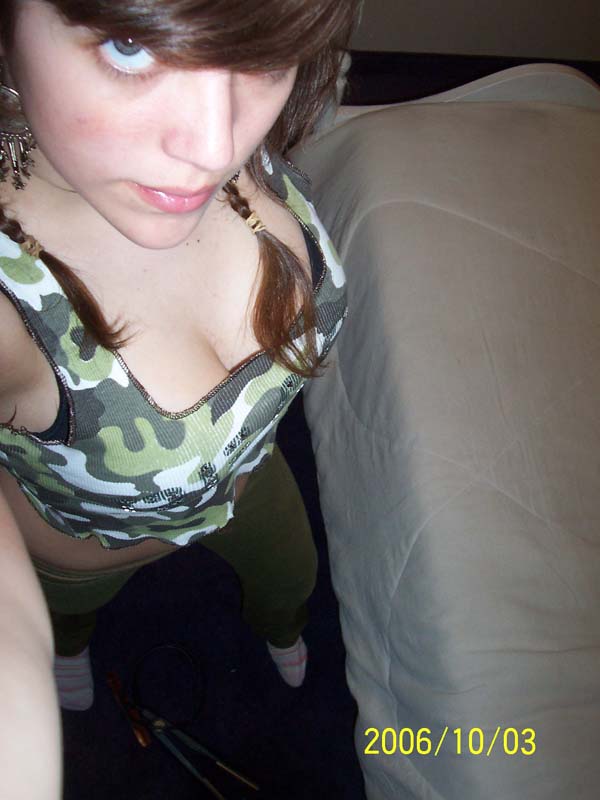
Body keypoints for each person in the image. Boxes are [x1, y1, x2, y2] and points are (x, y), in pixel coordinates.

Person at [0, 0, 359, 796]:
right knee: (66, 627)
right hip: (83, 555)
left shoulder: (248, 124)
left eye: (261, 54)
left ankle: (283, 630)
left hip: (251, 480)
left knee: (292, 587)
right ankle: (69, 648)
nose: (216, 146)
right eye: (131, 46)